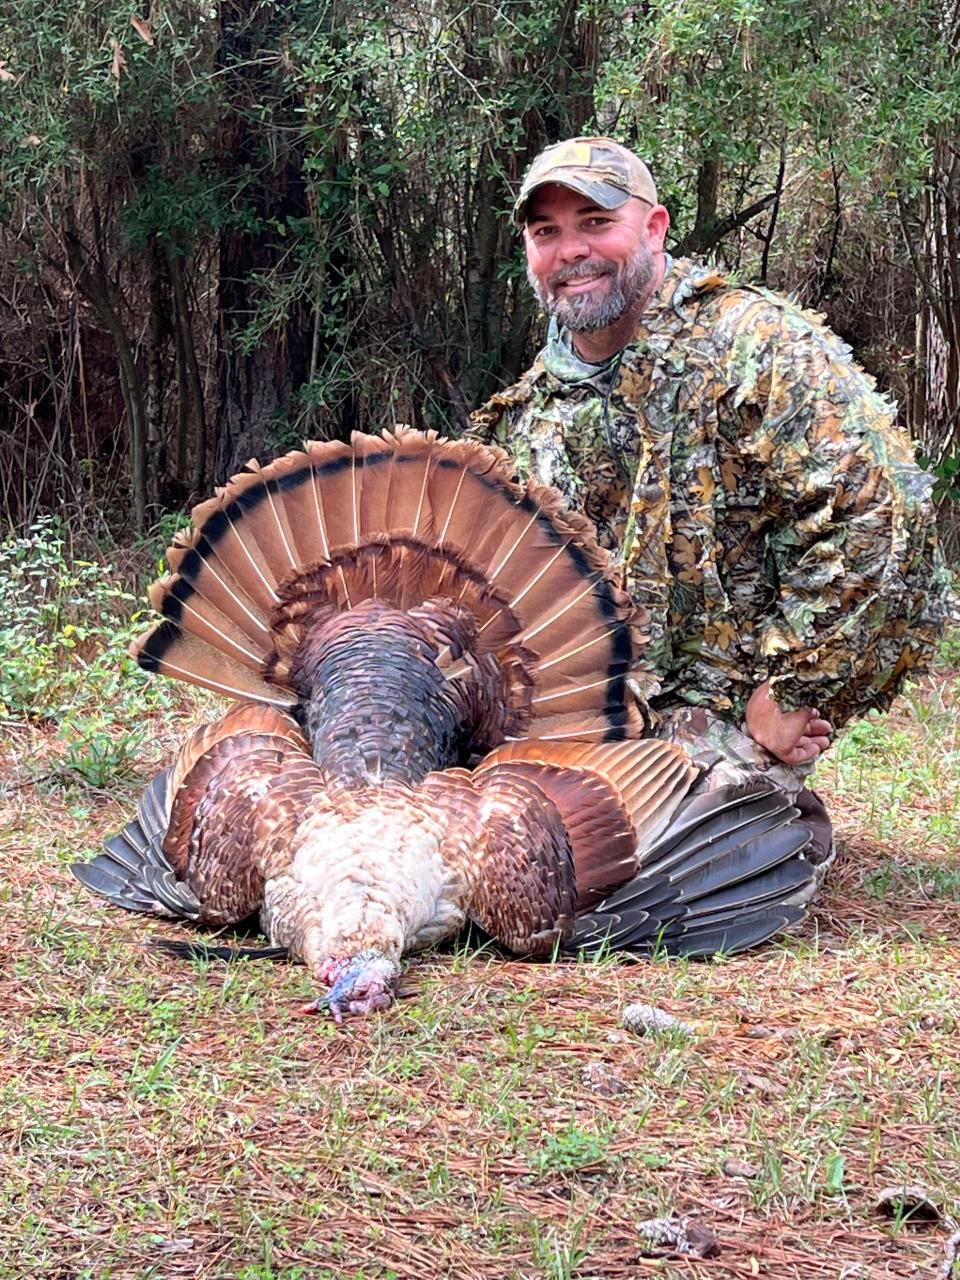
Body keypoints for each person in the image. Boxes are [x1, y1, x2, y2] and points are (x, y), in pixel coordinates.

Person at [470, 136, 955, 868]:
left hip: (714, 726)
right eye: (547, 232)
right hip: (580, 729)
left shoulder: (755, 346)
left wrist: (792, 692)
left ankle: (747, 813)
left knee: (607, 886)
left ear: (655, 227)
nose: (571, 250)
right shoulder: (527, 413)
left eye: (596, 223)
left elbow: (882, 517)